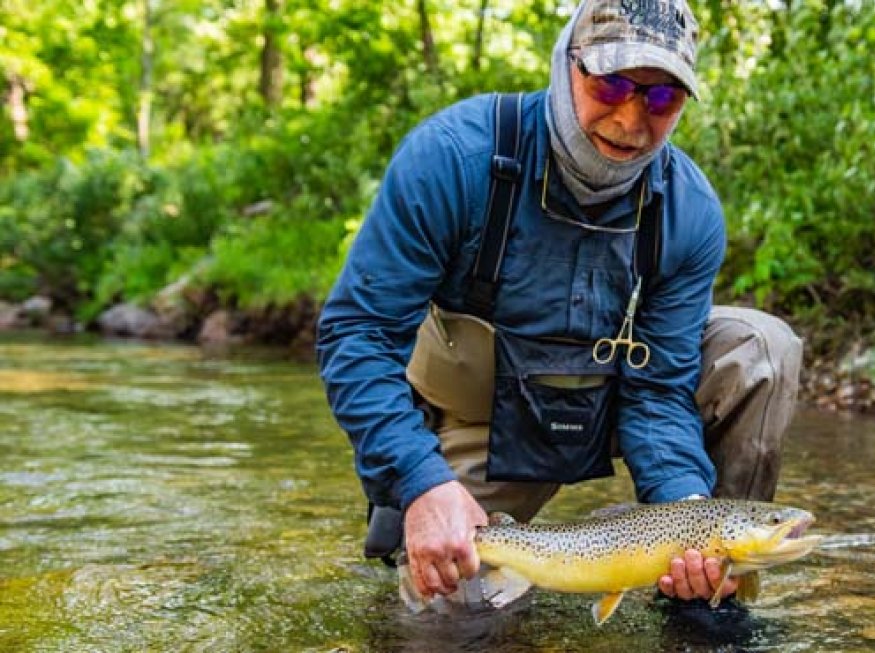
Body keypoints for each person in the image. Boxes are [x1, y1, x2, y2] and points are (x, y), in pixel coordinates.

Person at [317, 0, 802, 611]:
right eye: (612, 83)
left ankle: (706, 595)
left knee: (759, 347)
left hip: (614, 401)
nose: (632, 119)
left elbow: (658, 391)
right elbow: (357, 334)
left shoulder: (690, 211)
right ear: (564, 62)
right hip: (485, 425)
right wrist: (420, 482)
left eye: (662, 99)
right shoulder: (451, 158)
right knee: (447, 617)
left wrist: (690, 520)